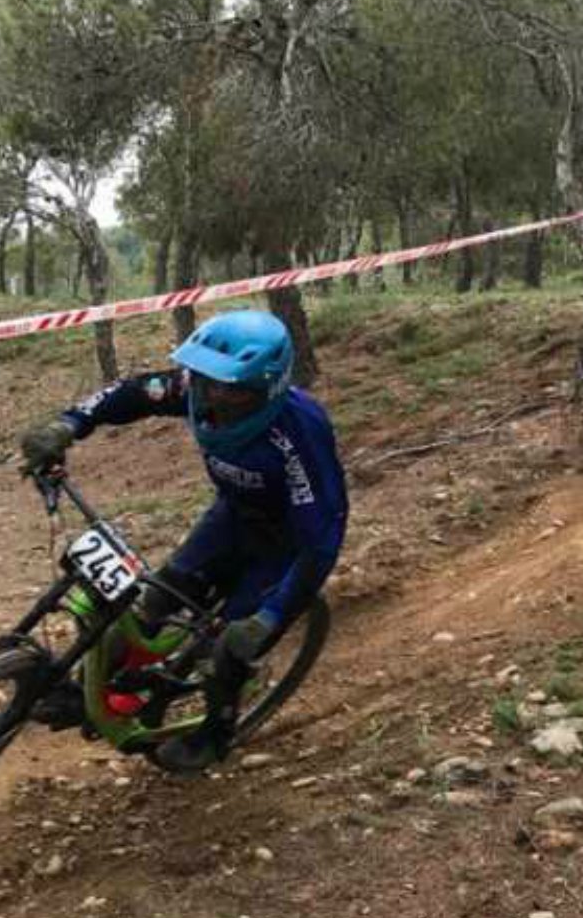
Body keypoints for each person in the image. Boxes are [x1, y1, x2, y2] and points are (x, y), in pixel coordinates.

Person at [19, 309, 347, 773]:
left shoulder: (300, 432)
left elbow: (322, 539)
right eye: (205, 379)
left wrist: (269, 618)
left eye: (228, 388)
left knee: (227, 653)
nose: (210, 395)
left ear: (266, 389)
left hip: (286, 547)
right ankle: (93, 693)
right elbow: (132, 393)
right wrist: (69, 424)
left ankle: (216, 732)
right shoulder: (196, 389)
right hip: (231, 519)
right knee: (152, 604)